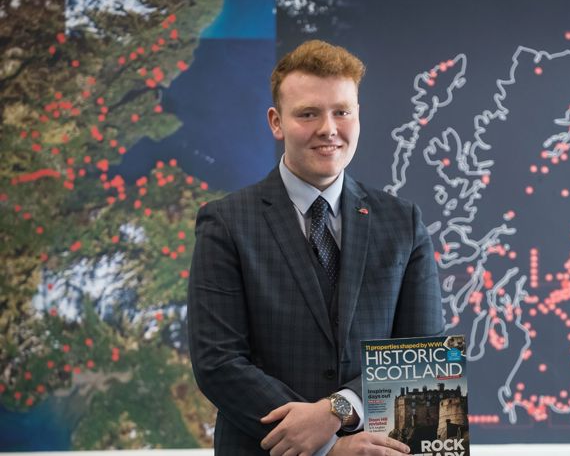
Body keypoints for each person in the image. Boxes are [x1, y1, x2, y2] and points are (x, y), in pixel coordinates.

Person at [187, 39, 445, 455]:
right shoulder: (225, 222)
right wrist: (324, 448)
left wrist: (336, 412)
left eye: (342, 111)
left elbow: (424, 356)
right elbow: (219, 363)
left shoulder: (403, 223)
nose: (328, 128)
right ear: (276, 121)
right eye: (308, 113)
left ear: (357, 115)